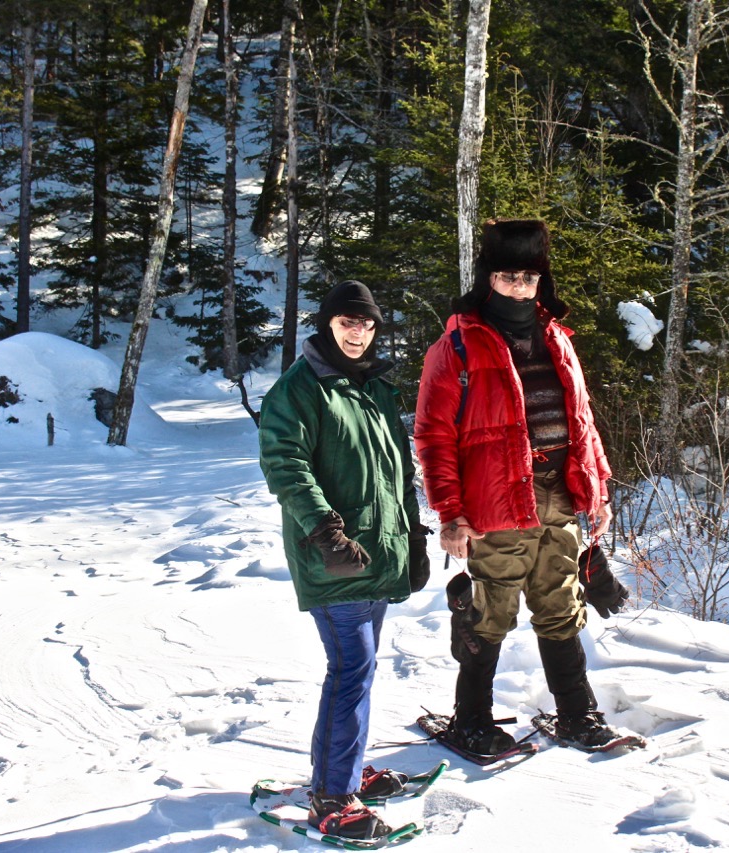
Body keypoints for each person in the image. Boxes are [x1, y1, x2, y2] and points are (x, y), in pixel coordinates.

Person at [414, 217, 630, 755]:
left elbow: (582, 420)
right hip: (495, 501)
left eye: (528, 277)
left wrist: (598, 492)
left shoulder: (555, 337)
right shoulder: (458, 346)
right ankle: (472, 721)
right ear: (489, 278)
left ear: (540, 281)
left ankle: (579, 716)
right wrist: (450, 513)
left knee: (562, 605)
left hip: (559, 494)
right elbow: (433, 436)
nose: (518, 286)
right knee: (492, 611)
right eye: (508, 276)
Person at [259, 280, 430, 842]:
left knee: (359, 669)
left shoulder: (375, 387)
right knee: (351, 670)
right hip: (333, 556)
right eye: (347, 322)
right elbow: (285, 463)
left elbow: (398, 474)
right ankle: (333, 795)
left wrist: (416, 539)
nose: (358, 332)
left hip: (378, 553)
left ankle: (343, 769)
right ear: (327, 324)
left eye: (367, 324)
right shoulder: (301, 387)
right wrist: (325, 530)